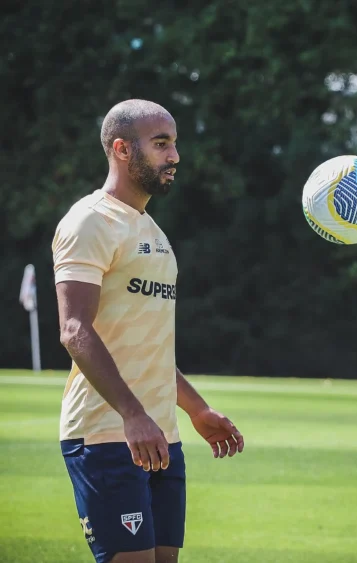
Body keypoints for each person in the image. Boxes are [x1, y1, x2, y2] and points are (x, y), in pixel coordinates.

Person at [52, 99, 244, 563]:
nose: (174, 156)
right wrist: (133, 415)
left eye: (174, 144)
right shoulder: (90, 221)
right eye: (161, 144)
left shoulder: (154, 232)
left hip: (161, 437)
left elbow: (147, 349)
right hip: (106, 435)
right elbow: (74, 329)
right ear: (121, 148)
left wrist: (196, 410)